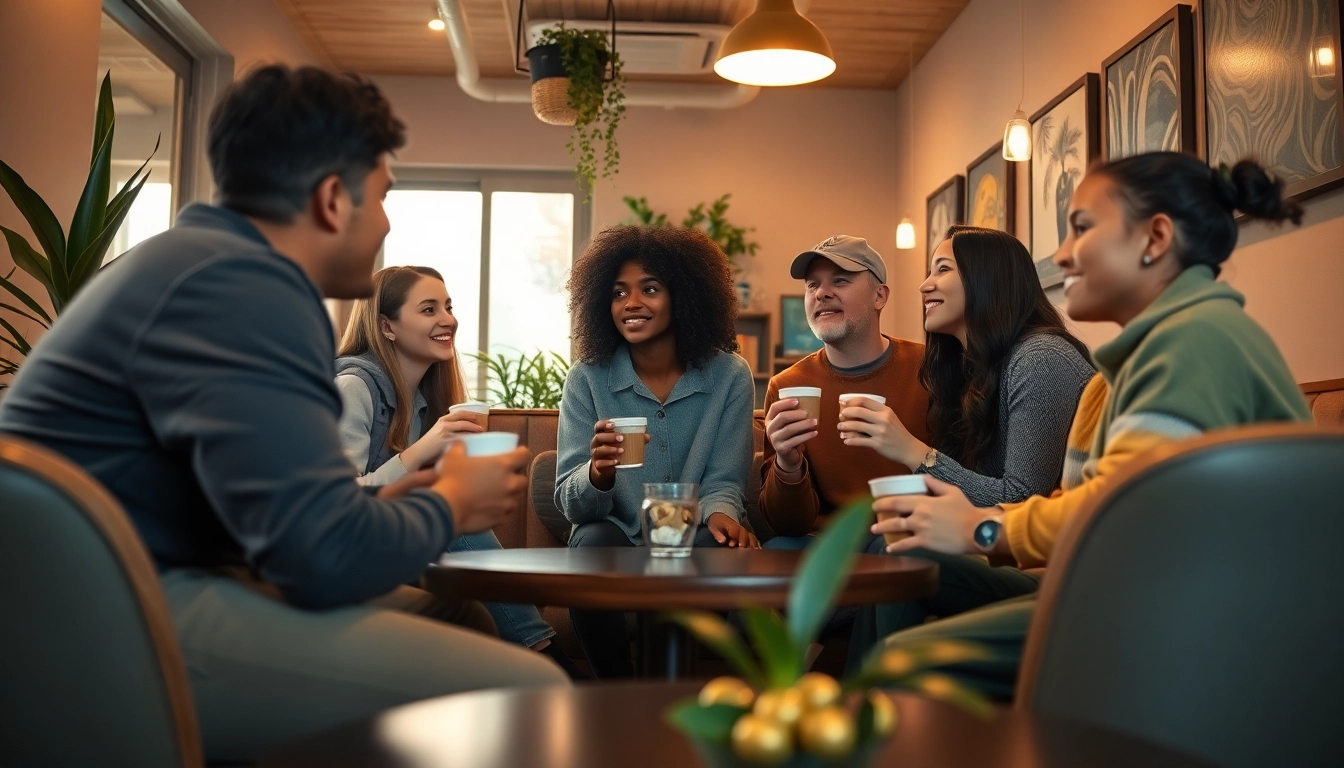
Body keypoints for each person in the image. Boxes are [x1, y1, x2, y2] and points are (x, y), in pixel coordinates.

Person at [0, 65, 566, 762]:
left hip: (104, 591)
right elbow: (320, 558)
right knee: (535, 693)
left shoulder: (195, 263)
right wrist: (448, 504)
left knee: (458, 612)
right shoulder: (246, 288)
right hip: (107, 621)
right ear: (331, 199)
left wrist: (392, 504)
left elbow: (279, 516)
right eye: (382, 196)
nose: (386, 221)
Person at [867, 153, 1312, 699]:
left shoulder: (1191, 342)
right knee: (899, 561)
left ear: (1155, 238)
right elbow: (1090, 497)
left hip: (1190, 613)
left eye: (1081, 229)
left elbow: (1119, 512)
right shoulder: (1140, 361)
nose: (1062, 255)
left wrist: (983, 528)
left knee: (901, 659)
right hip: (1135, 589)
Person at [843, 226, 1096, 657]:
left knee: (903, 553)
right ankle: (861, 692)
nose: (924, 285)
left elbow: (1021, 499)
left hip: (1051, 569)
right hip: (1003, 557)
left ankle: (874, 693)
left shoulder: (1041, 359)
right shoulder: (974, 370)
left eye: (942, 269)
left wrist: (914, 452)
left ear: (986, 279)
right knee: (889, 543)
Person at [334, 265, 578, 676]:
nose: (448, 319)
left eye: (448, 307)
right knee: (449, 514)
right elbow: (340, 500)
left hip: (396, 546)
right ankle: (547, 657)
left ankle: (540, 660)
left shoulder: (424, 401)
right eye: (429, 309)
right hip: (348, 551)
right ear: (387, 326)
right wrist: (425, 450)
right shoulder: (353, 387)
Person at [555, 225, 758, 677]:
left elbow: (724, 480)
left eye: (649, 289)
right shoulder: (586, 379)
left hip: (692, 530)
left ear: (683, 296)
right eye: (618, 292)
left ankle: (671, 690)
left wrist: (722, 514)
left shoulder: (730, 376)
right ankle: (615, 693)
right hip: (615, 532)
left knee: (714, 545)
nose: (631, 303)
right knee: (590, 541)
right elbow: (571, 503)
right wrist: (598, 473)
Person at [758, 235, 930, 549]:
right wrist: (788, 464)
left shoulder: (931, 369)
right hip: (826, 544)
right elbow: (786, 525)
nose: (821, 293)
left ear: (879, 296)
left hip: (909, 532)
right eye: (812, 285)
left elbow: (965, 480)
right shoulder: (786, 386)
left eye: (840, 280)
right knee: (777, 549)